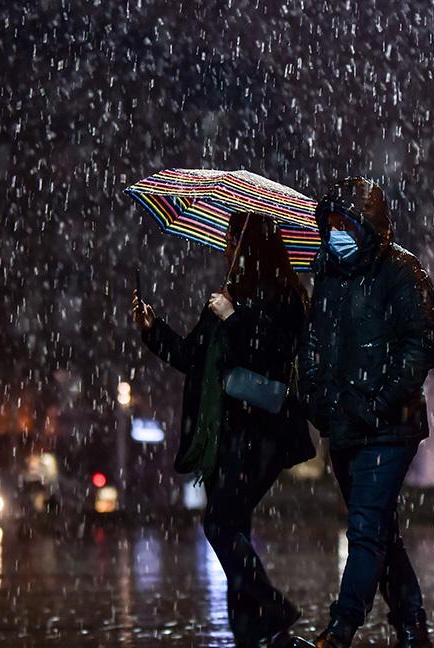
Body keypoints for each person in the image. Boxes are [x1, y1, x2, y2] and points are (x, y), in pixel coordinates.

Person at [132, 211, 315, 647]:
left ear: (253, 245)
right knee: (233, 529)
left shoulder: (287, 296)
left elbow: (274, 355)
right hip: (223, 434)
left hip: (263, 431)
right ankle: (250, 633)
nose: (228, 249)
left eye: (234, 240)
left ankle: (272, 606)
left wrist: (235, 318)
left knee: (219, 524)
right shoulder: (225, 295)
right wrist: (152, 330)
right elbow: (192, 357)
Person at [299, 178, 434, 648]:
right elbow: (313, 346)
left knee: (364, 527)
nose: (336, 233)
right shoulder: (327, 276)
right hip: (342, 427)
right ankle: (411, 622)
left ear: (369, 226)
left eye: (346, 224)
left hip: (389, 428)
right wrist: (319, 401)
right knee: (379, 529)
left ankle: (340, 632)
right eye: (330, 224)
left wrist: (378, 403)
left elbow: (419, 347)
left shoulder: (402, 272)